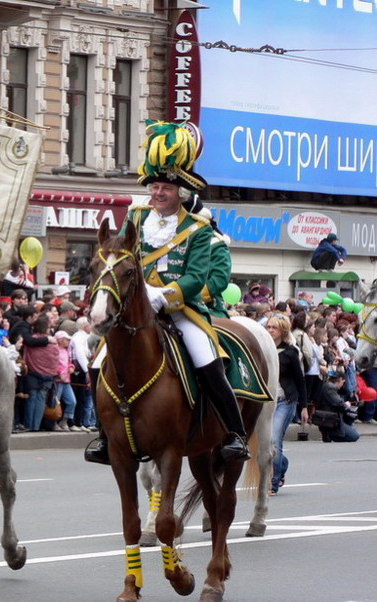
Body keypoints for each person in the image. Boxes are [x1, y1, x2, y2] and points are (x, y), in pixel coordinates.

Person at [87, 120, 249, 464]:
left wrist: (165, 295)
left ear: (182, 193)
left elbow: (196, 277)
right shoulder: (136, 216)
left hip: (180, 310)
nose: (158, 193)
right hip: (136, 310)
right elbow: (120, 252)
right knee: (97, 360)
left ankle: (235, 433)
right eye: (155, 186)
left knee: (207, 359)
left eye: (166, 188)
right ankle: (104, 437)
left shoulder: (198, 229)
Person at [265, 314, 307, 495]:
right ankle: (283, 463)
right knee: (264, 443)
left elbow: (300, 380)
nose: (270, 330)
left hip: (285, 401)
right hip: (266, 402)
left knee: (275, 440)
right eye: (268, 327)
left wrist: (304, 406)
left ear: (282, 331)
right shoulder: (263, 349)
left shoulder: (290, 352)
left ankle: (273, 484)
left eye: (273, 327)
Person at [315, 368, 359, 442]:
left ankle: (336, 433)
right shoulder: (329, 387)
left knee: (350, 417)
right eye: (343, 382)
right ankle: (331, 435)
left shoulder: (328, 386)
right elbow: (338, 403)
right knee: (355, 436)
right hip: (331, 419)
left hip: (331, 416)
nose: (342, 385)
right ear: (340, 379)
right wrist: (346, 405)